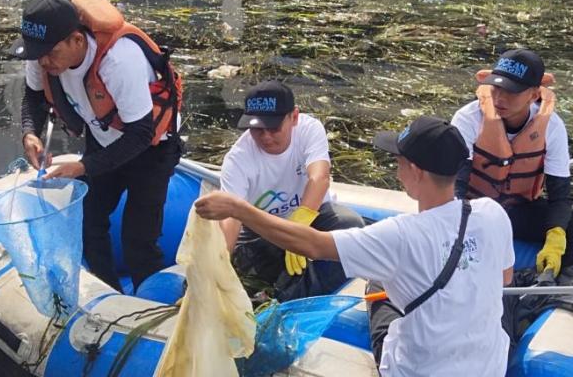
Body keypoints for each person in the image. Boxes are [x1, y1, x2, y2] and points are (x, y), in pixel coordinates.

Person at [196, 115, 514, 376]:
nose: (396, 170)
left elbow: (312, 244)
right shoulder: (492, 213)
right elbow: (504, 279)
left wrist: (238, 208)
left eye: (399, 161)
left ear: (415, 170)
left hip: (420, 370)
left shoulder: (400, 235)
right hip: (489, 367)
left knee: (376, 285)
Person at [10, 0, 184, 292]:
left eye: (52, 53)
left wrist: (83, 167)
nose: (44, 63)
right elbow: (33, 98)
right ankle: (109, 294)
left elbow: (141, 134)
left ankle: (155, 308)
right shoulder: (41, 56)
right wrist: (30, 132)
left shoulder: (118, 61)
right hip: (103, 138)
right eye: (38, 55)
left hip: (151, 147)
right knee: (88, 223)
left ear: (76, 40)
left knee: (138, 240)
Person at [218, 80, 364, 302]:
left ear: (293, 117)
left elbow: (319, 176)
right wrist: (218, 262)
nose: (266, 137)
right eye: (257, 129)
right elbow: (231, 218)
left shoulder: (309, 129)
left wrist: (299, 225)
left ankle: (287, 299)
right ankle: (282, 290)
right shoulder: (237, 159)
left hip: (312, 216)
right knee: (245, 263)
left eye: (274, 128)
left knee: (350, 226)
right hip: (263, 227)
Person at [451, 49, 573, 278]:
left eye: (511, 92)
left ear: (534, 94)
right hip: (472, 211)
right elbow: (454, 186)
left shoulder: (552, 127)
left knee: (569, 227)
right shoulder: (467, 118)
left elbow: (560, 195)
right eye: (496, 88)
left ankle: (554, 287)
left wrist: (555, 237)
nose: (499, 99)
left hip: (519, 210)